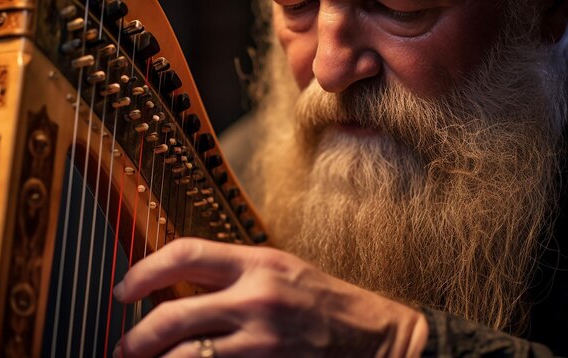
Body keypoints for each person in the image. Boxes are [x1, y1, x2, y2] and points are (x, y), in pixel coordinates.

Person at [112, 0, 568, 356]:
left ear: (542, 11)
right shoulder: (236, 167)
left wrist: (400, 343)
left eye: (400, 9)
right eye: (296, 5)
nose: (328, 72)